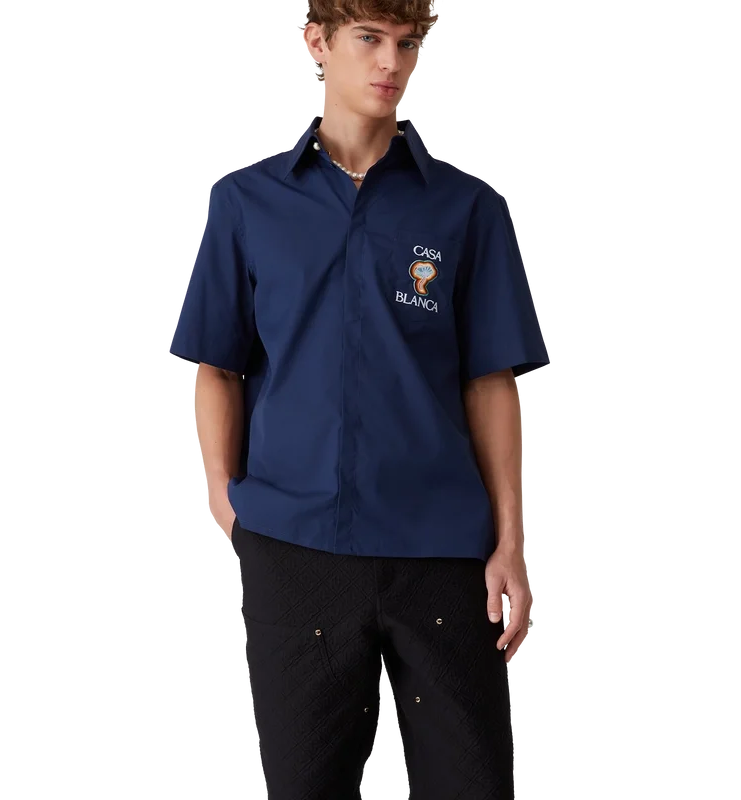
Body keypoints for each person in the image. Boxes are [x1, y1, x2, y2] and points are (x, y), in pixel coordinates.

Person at [168, 1, 550, 797]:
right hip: (294, 548)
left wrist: (511, 543)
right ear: (318, 41)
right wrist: (226, 501)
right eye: (369, 39)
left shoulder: (466, 208)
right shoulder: (246, 203)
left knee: (472, 785)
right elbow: (217, 363)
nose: (391, 63)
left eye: (407, 44)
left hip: (443, 553)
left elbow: (490, 381)